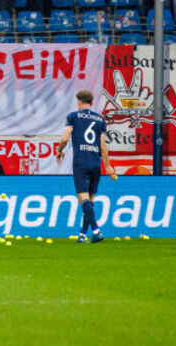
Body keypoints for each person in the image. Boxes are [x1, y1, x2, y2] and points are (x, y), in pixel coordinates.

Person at [55, 89, 116, 243]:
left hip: (80, 162)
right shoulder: (100, 119)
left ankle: (96, 231)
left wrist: (59, 151)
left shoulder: (73, 116)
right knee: (90, 201)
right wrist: (108, 166)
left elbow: (64, 138)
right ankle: (82, 234)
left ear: (79, 103)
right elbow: (103, 145)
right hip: (95, 162)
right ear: (92, 103)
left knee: (84, 200)